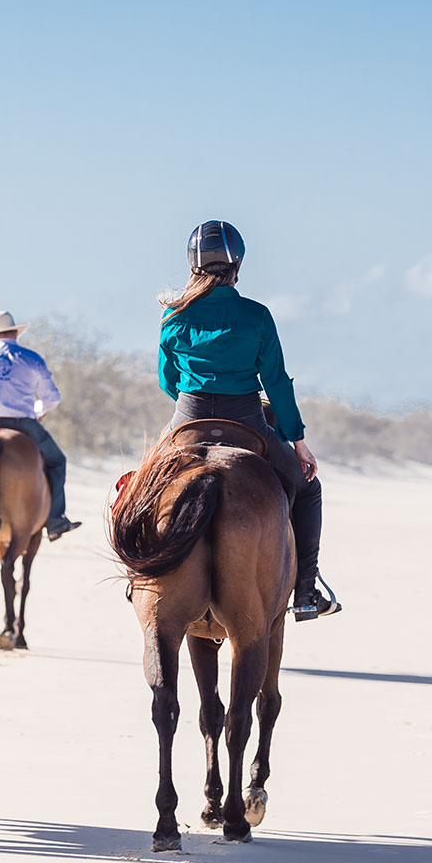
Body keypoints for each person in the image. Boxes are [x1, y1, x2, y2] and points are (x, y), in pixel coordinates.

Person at [158, 220, 340, 621]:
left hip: (186, 421)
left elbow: (167, 381)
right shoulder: (257, 315)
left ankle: (143, 573)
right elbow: (275, 381)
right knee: (308, 489)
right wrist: (298, 441)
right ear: (237, 263)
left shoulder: (174, 316)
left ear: (192, 264)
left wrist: (195, 402)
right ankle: (307, 591)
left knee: (141, 486)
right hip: (246, 419)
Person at [0, 310, 82, 541]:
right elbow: (52, 398)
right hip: (23, 425)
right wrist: (38, 412)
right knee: (57, 461)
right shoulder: (31, 358)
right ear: (15, 334)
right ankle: (55, 520)